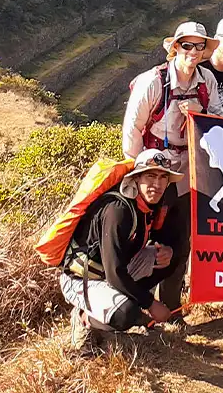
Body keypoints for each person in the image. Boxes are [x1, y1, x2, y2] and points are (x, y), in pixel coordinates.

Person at [120, 22, 218, 314]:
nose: (193, 52)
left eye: (199, 46)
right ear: (175, 48)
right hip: (152, 174)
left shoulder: (206, 82)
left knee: (178, 242)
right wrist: (137, 173)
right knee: (142, 241)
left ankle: (172, 310)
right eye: (186, 45)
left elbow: (219, 124)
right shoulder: (154, 81)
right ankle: (136, 307)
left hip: (189, 171)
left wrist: (201, 117)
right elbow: (133, 129)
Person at [61, 149, 188, 354]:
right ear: (136, 179)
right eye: (150, 176)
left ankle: (121, 305)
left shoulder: (149, 204)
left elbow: (160, 239)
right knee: (126, 314)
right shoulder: (117, 210)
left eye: (163, 177)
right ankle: (84, 319)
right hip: (82, 279)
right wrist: (150, 303)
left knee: (171, 258)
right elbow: (114, 273)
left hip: (112, 272)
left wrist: (168, 251)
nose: (157, 184)